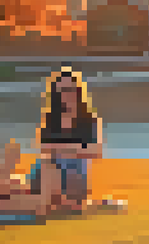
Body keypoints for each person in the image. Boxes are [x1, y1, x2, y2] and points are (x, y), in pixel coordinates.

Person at [28, 67, 103, 213]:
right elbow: (43, 148)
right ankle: (54, 203)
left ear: (78, 91)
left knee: (63, 168)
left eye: (69, 89)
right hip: (51, 173)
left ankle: (57, 203)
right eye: (61, 90)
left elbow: (96, 151)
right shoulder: (51, 119)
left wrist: (65, 149)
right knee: (45, 166)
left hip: (74, 175)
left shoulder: (89, 120)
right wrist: (75, 148)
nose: (66, 94)